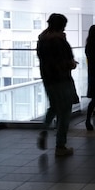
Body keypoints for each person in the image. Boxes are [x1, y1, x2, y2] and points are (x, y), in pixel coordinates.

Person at [36, 13, 79, 157]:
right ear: (62, 26)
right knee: (65, 112)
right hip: (62, 80)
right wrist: (72, 64)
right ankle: (60, 146)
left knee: (54, 106)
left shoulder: (42, 40)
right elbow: (67, 61)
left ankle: (44, 128)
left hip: (48, 79)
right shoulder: (59, 41)